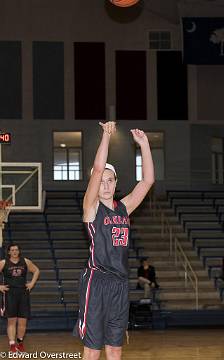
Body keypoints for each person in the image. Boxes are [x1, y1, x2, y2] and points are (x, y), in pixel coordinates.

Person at [75, 121, 154, 360]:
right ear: (95, 185)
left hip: (120, 283)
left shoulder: (124, 208)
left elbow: (147, 182)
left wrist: (145, 145)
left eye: (111, 180)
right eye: (102, 181)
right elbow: (98, 169)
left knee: (115, 348)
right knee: (92, 349)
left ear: (117, 182)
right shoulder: (91, 208)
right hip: (97, 281)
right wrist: (106, 136)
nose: (106, 184)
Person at [0, 243, 40, 353]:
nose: (14, 252)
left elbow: (36, 270)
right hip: (10, 294)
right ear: (9, 252)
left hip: (23, 294)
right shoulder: (3, 263)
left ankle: (20, 343)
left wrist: (32, 283)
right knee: (11, 321)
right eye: (12, 250)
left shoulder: (25, 261)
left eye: (16, 250)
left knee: (23, 322)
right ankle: (12, 345)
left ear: (19, 251)